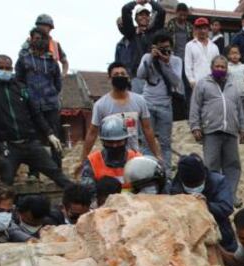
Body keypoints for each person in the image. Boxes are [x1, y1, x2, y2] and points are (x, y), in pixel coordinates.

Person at [0, 55, 71, 189]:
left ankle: (79, 201)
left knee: (58, 175)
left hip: (31, 143)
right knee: (5, 186)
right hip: (8, 146)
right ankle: (4, 210)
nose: (5, 71)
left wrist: (50, 133)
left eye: (8, 68)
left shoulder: (22, 89)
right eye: (1, 68)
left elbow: (36, 114)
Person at [170, 154, 244, 266]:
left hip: (223, 236)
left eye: (197, 185)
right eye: (190, 186)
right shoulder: (176, 186)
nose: (194, 188)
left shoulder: (218, 181)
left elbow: (227, 207)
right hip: (193, 241)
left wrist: (207, 204)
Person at [76, 62, 161, 176]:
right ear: (109, 79)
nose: (120, 76)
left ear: (128, 77)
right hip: (110, 158)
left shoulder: (139, 101)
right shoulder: (101, 105)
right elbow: (92, 133)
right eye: (116, 74)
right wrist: (82, 160)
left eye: (123, 73)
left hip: (133, 156)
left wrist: (157, 154)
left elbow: (148, 129)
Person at [190, 55, 244, 198]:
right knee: (211, 165)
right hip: (211, 130)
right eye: (218, 66)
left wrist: (243, 128)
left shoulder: (232, 86)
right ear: (211, 68)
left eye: (223, 67)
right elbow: (195, 106)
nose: (220, 69)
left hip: (231, 131)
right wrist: (195, 126)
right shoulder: (202, 84)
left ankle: (230, 195)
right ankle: (214, 195)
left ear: (227, 69)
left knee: (233, 166)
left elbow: (239, 108)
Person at [16, 27, 64, 176]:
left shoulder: (52, 62)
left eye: (42, 38)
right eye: (36, 38)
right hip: (31, 106)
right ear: (31, 40)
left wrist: (50, 95)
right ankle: (34, 172)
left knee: (54, 138)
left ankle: (57, 170)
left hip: (51, 105)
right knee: (33, 140)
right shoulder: (24, 60)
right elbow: (19, 80)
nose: (39, 41)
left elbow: (58, 83)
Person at [137, 31, 184, 169]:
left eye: (167, 48)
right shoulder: (147, 57)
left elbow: (176, 82)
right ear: (154, 47)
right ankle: (147, 172)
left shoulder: (176, 60)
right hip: (147, 104)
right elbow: (140, 74)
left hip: (165, 105)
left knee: (165, 143)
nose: (165, 50)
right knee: (146, 142)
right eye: (161, 48)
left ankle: (166, 173)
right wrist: (151, 57)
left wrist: (166, 63)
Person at [80, 116, 142, 196]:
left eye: (118, 141)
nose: (114, 146)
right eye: (110, 142)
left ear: (126, 140)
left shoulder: (137, 159)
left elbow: (147, 189)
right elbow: (88, 192)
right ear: (103, 142)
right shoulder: (93, 161)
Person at [119, 0, 166, 93]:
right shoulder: (131, 33)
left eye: (147, 15)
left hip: (153, 76)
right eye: (141, 15)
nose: (144, 17)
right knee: (137, 106)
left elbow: (162, 12)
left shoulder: (154, 32)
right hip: (136, 77)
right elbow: (125, 9)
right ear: (135, 19)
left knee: (151, 106)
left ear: (149, 18)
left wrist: (150, 1)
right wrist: (137, 2)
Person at [184, 17, 220, 93]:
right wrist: (191, 81)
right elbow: (188, 65)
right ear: (195, 30)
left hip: (213, 83)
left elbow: (218, 65)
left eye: (204, 28)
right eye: (199, 28)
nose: (202, 31)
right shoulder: (189, 45)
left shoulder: (214, 46)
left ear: (208, 29)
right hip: (197, 83)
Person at [226, 45, 244, 111]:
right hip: (231, 95)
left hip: (243, 95)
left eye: (237, 53)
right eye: (232, 53)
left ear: (240, 55)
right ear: (228, 55)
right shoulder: (227, 67)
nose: (235, 55)